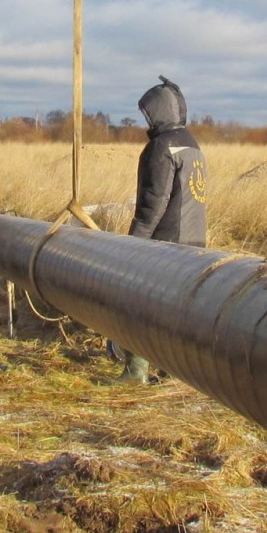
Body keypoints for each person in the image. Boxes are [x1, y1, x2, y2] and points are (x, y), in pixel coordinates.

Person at [115, 75, 208, 382]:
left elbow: (152, 203)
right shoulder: (192, 144)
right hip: (193, 241)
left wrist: (134, 244)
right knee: (176, 313)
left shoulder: (161, 148)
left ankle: (135, 371)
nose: (146, 119)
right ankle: (173, 372)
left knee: (140, 303)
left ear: (160, 112)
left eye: (148, 113)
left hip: (165, 242)